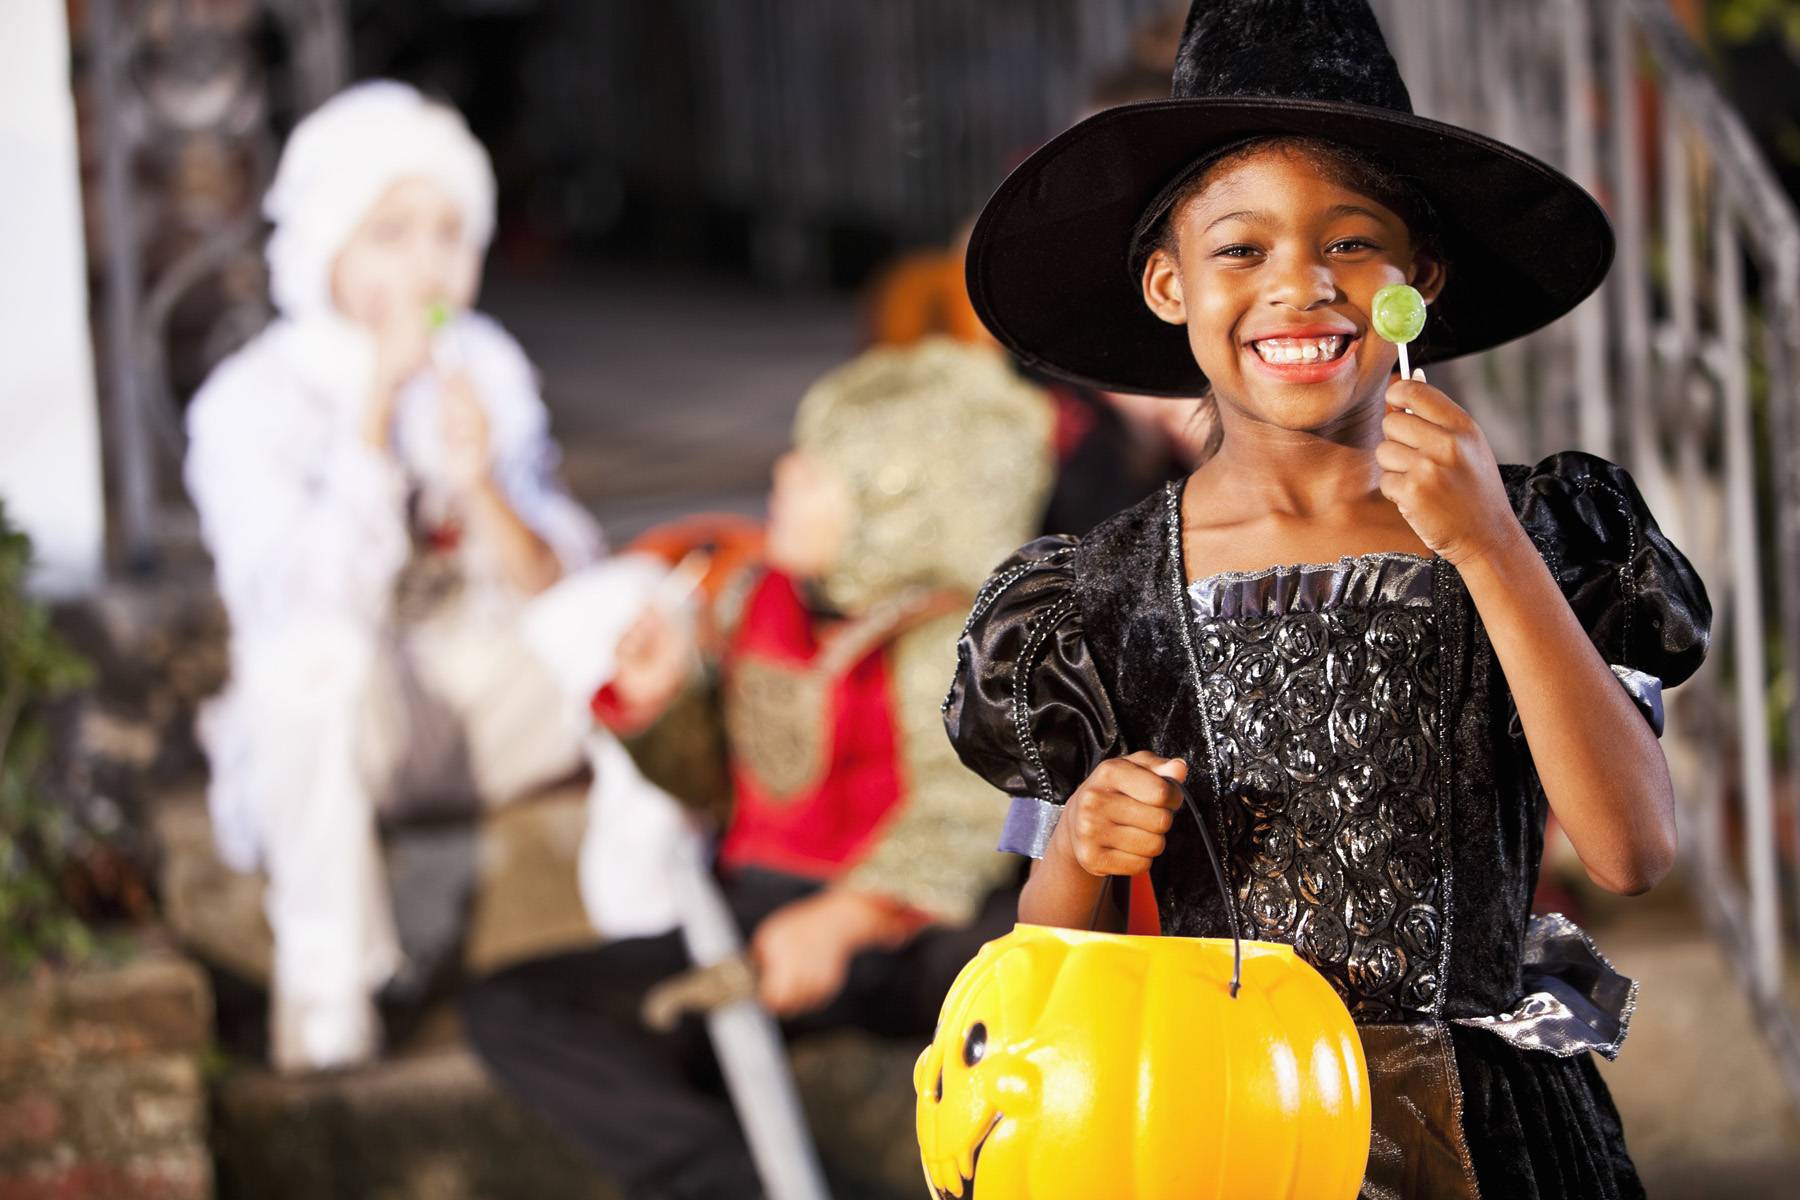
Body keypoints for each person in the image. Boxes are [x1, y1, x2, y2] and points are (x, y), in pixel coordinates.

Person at [942, 3, 1711, 1198]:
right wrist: (1085, 846)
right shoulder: (1093, 600)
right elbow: (1049, 959)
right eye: (1241, 250)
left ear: (1421, 282)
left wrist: (1490, 549)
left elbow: (1631, 848)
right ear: (1167, 285)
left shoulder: (1546, 535)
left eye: (1352, 243)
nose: (1299, 285)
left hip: (1497, 1141)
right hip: (1226, 1130)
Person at [461, 338, 1054, 1200]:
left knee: (1014, 979)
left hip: (908, 922)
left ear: (894, 501)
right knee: (516, 1009)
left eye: (814, 473)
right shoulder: (752, 602)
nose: (782, 475)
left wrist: (848, 919)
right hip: (756, 913)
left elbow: (965, 819)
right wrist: (661, 703)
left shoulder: (952, 641)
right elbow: (715, 788)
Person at [185, 81, 607, 1073]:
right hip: (350, 732)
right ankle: (328, 991)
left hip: (481, 709)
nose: (426, 263)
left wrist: (483, 490)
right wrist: (375, 420)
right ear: (328, 242)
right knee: (312, 663)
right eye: (391, 232)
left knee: (634, 613)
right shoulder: (247, 403)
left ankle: (652, 901)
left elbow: (561, 586)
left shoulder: (486, 364)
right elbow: (302, 615)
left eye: (449, 232)